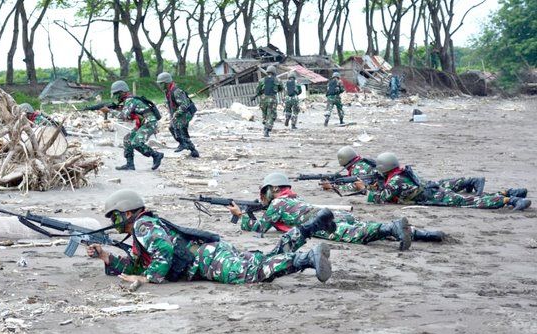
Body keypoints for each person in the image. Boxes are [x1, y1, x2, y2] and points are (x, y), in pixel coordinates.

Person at [87, 189, 337, 285]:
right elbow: (136, 264)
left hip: (206, 260)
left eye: (115, 216)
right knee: (269, 257)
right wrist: (106, 257)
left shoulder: (143, 226)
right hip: (210, 252)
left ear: (128, 212)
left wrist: (148, 279)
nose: (113, 222)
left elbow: (163, 250)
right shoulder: (141, 230)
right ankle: (313, 226)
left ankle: (307, 258)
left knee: (252, 273)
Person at [227, 172, 447, 250]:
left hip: (324, 223)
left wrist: (241, 217)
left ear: (274, 189)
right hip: (333, 214)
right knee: (364, 228)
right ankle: (422, 233)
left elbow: (261, 228)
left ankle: (394, 227)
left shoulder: (277, 205)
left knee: (361, 235)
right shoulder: (294, 198)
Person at [367, 152, 531, 211]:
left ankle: (510, 200)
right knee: (469, 199)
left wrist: (369, 190)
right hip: (432, 191)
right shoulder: (400, 172)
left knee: (470, 202)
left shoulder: (395, 181)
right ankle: (508, 193)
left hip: (432, 196)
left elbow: (381, 199)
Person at [323, 146, 488, 196]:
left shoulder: (359, 168)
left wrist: (335, 187)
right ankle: (469, 181)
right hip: (398, 178)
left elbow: (357, 186)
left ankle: (471, 181)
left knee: (434, 186)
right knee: (436, 184)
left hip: (397, 183)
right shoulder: (360, 163)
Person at [104, 80, 164, 171]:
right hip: (143, 123)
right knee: (127, 139)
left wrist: (109, 111)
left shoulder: (130, 100)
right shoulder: (128, 100)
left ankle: (156, 155)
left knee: (136, 142)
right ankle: (130, 164)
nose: (116, 97)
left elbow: (123, 116)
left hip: (150, 123)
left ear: (122, 92)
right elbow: (129, 116)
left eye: (117, 94)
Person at [156, 72, 199, 158]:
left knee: (177, 126)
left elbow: (184, 105)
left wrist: (176, 113)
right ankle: (193, 150)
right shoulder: (168, 91)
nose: (160, 86)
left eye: (162, 84)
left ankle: (183, 144)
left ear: (167, 83)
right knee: (174, 128)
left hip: (186, 112)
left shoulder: (176, 91)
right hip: (180, 113)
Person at [253, 65, 284, 137]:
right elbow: (281, 88)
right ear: (274, 72)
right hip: (272, 99)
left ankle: (265, 124)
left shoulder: (262, 80)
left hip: (263, 99)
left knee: (265, 114)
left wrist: (257, 95)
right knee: (272, 115)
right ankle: (267, 130)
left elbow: (258, 91)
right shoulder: (278, 80)